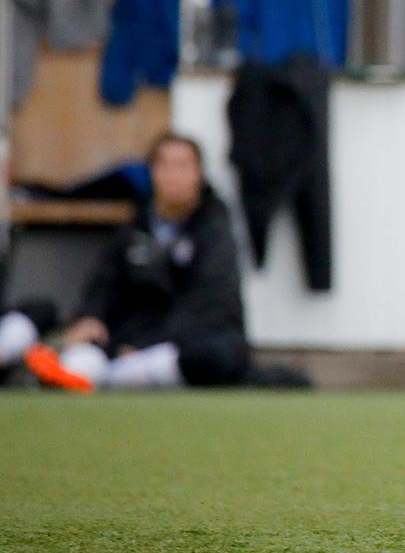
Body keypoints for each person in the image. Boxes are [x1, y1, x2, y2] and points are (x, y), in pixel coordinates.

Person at [21, 132, 250, 392]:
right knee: (87, 347)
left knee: (215, 354)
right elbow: (105, 283)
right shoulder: (133, 228)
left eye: (182, 166)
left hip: (180, 343)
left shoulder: (215, 230)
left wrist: (147, 344)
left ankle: (117, 376)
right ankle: (72, 373)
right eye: (164, 165)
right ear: (152, 172)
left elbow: (208, 304)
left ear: (199, 174)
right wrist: (90, 317)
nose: (172, 175)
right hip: (129, 337)